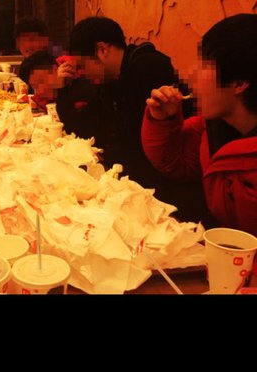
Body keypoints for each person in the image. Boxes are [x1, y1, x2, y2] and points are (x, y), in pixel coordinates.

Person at [64, 16, 207, 219]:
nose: (81, 73)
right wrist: (63, 90)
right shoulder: (109, 81)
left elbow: (141, 150)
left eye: (82, 65)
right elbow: (87, 130)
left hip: (170, 195)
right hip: (139, 185)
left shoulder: (148, 68)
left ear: (102, 50)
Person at [142, 13, 257, 234]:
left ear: (239, 82)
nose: (190, 74)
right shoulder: (210, 128)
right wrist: (163, 120)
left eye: (205, 65)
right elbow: (175, 163)